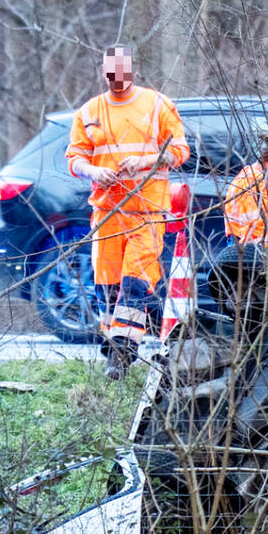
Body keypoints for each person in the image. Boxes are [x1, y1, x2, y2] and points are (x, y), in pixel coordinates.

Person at [65, 45, 190, 379]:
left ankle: (121, 355)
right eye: (110, 73)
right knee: (107, 287)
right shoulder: (89, 111)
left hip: (146, 211)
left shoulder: (157, 105)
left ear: (132, 71)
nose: (116, 79)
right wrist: (93, 171)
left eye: (121, 72)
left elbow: (180, 150)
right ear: (104, 72)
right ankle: (113, 347)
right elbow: (74, 157)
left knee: (134, 284)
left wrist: (146, 161)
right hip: (107, 212)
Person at [223, 136, 268, 255]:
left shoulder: (252, 179)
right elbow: (259, 234)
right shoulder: (256, 185)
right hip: (254, 259)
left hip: (249, 256)